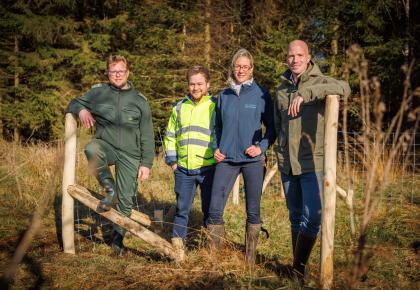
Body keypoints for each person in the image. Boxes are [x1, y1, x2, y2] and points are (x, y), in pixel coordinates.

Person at [274, 40, 350, 282]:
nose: (295, 59)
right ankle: (298, 271)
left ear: (308, 58)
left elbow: (344, 88)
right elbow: (279, 128)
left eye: (299, 55)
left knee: (313, 216)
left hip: (313, 163)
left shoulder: (320, 82)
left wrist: (306, 93)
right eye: (290, 55)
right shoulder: (281, 91)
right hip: (288, 163)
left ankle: (297, 266)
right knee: (295, 215)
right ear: (286, 59)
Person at [67, 55, 155, 255]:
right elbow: (73, 103)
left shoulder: (139, 100)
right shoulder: (98, 93)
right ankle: (109, 189)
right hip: (106, 146)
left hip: (131, 155)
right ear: (108, 73)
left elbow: (148, 134)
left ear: (128, 73)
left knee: (126, 201)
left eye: (121, 71)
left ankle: (117, 242)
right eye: (113, 71)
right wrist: (81, 110)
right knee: (91, 149)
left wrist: (146, 163)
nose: (117, 75)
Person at [206, 48, 276, 266]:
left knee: (253, 211)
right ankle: (213, 259)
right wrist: (216, 147)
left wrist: (261, 147)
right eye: (238, 66)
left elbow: (272, 127)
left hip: (253, 161)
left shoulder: (261, 94)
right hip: (226, 160)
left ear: (252, 69)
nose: (241, 70)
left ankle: (249, 260)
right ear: (233, 68)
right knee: (214, 209)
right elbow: (215, 127)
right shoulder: (223, 96)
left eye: (246, 66)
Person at [164, 65, 217, 252]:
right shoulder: (179, 107)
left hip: (208, 168)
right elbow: (170, 135)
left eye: (200, 84)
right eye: (192, 84)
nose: (196, 88)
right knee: (182, 209)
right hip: (183, 170)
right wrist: (173, 161)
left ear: (208, 84)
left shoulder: (215, 106)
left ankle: (209, 248)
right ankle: (178, 248)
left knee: (210, 210)